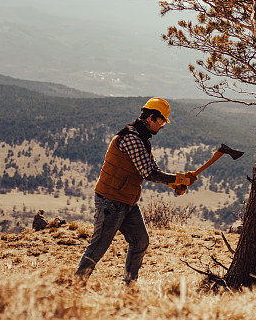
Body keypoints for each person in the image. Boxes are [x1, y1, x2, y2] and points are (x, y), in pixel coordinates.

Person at [75, 97, 197, 284]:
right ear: (150, 117)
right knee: (99, 246)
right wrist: (178, 179)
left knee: (140, 240)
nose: (163, 126)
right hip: (111, 200)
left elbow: (152, 168)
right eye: (162, 121)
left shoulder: (142, 139)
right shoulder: (131, 138)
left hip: (126, 200)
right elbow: (148, 172)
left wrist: (176, 183)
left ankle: (130, 285)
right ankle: (75, 284)